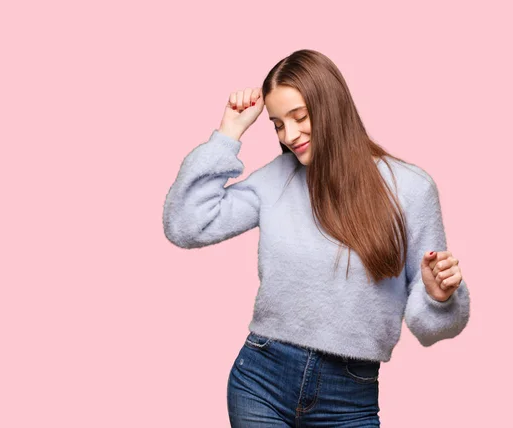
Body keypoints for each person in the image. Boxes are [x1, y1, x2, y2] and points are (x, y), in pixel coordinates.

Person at [162, 49, 471, 427]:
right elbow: (186, 224)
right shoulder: (277, 178)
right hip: (260, 381)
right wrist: (229, 134)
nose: (289, 135)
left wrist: (440, 298)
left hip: (349, 398)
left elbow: (431, 325)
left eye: (300, 117)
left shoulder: (410, 189)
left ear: (332, 105)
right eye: (277, 125)